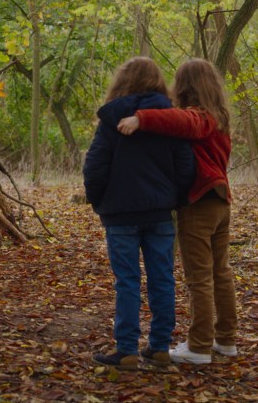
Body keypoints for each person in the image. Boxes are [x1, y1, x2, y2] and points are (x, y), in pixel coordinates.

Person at [118, 58, 238, 365]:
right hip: (220, 201)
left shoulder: (200, 117)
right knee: (220, 274)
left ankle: (199, 347)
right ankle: (225, 340)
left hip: (200, 204)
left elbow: (184, 122)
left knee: (200, 277)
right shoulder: (219, 116)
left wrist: (141, 119)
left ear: (185, 86)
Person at [84, 57, 195, 370]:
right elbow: (185, 166)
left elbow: (95, 166)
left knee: (128, 282)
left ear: (122, 82)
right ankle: (159, 347)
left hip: (120, 214)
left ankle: (128, 349)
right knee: (162, 278)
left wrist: (99, 201)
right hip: (159, 213)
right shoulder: (171, 120)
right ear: (158, 83)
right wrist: (175, 199)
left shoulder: (111, 121)